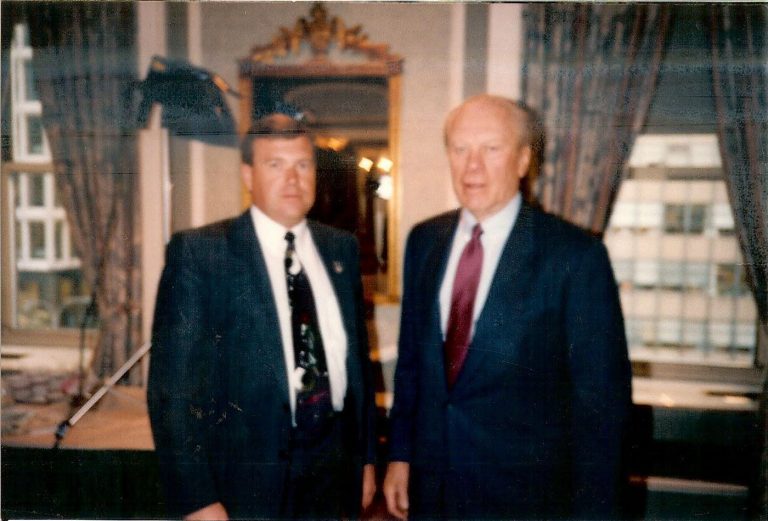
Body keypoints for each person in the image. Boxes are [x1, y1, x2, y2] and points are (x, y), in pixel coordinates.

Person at [383, 94, 632, 520]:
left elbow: (601, 410)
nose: (472, 166)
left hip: (525, 501)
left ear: (522, 161)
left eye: (491, 149)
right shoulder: (424, 241)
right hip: (432, 491)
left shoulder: (574, 256)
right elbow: (412, 366)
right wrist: (401, 454)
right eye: (460, 149)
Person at [147, 114, 376, 520]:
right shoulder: (202, 254)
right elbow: (173, 393)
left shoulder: (341, 249)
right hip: (243, 483)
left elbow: (354, 366)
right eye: (276, 165)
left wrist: (366, 459)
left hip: (331, 471)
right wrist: (197, 499)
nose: (293, 179)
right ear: (248, 175)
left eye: (302, 165)